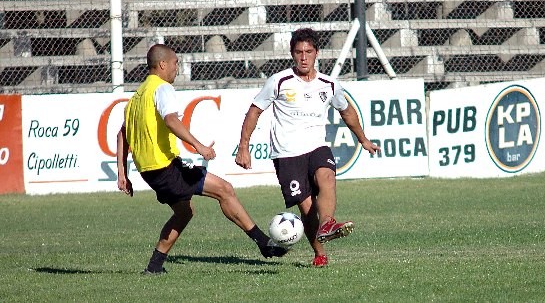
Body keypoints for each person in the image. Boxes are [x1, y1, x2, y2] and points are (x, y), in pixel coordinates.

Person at [116, 44, 287, 275]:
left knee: (185, 212)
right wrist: (200, 146)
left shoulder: (137, 97)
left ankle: (154, 267)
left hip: (150, 172)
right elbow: (171, 121)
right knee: (224, 190)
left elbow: (122, 134)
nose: (177, 68)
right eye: (175, 63)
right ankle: (263, 243)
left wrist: (122, 173)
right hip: (165, 167)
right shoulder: (162, 88)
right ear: (163, 64)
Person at [235, 28, 381, 267]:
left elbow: (346, 111)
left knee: (327, 176)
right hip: (287, 154)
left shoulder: (329, 84)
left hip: (316, 146)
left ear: (317, 54)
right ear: (292, 54)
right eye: (299, 52)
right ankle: (319, 252)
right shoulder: (279, 81)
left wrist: (363, 139)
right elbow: (254, 111)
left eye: (308, 52)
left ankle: (328, 223)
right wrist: (244, 146)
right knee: (306, 207)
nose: (304, 57)